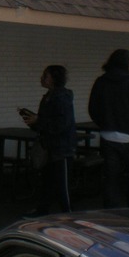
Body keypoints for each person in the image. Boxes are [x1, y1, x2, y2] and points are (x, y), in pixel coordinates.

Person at [88, 49, 129, 208]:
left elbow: (93, 109)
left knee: (111, 176)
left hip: (108, 136)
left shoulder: (101, 82)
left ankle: (111, 210)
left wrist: (104, 123)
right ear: (127, 63)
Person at [21, 65, 76, 217]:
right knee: (47, 182)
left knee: (62, 184)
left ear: (53, 79)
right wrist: (34, 122)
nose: (42, 78)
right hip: (50, 146)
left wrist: (39, 120)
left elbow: (62, 124)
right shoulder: (49, 96)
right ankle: (43, 210)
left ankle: (69, 214)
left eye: (45, 76)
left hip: (61, 148)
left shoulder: (60, 97)